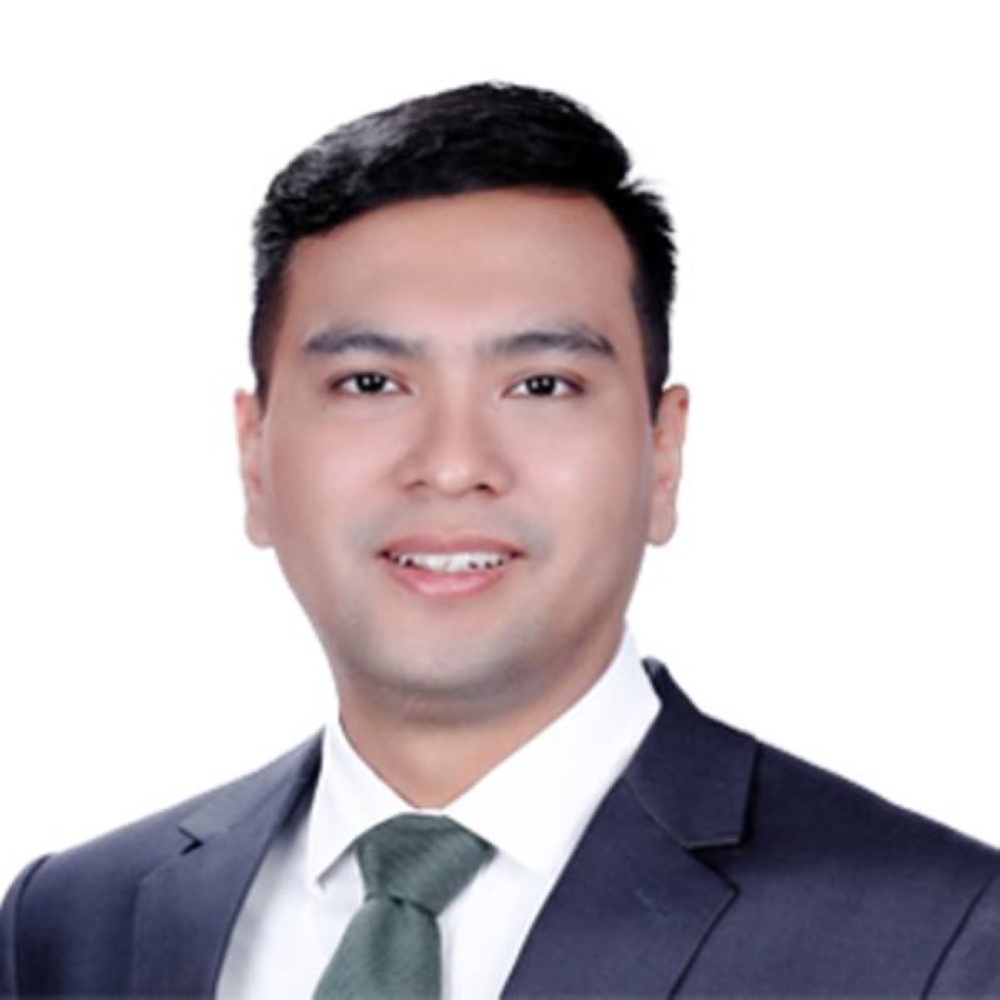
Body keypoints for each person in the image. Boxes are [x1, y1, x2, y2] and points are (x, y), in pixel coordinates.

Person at [1, 81, 998, 999]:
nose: (451, 464)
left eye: (541, 385)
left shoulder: (938, 938)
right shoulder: (72, 926)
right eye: (369, 383)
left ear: (662, 456)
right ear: (254, 457)